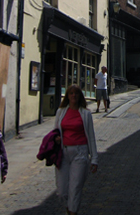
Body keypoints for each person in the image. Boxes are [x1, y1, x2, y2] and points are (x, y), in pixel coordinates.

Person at [54, 84, 99, 215]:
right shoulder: (60, 112)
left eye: (76, 93)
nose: (74, 95)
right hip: (63, 153)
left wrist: (94, 159)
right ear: (67, 96)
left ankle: (73, 212)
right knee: (62, 191)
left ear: (80, 96)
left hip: (80, 153)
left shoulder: (86, 114)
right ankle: (71, 210)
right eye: (71, 93)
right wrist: (56, 139)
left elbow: (91, 137)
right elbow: (55, 132)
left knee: (75, 188)